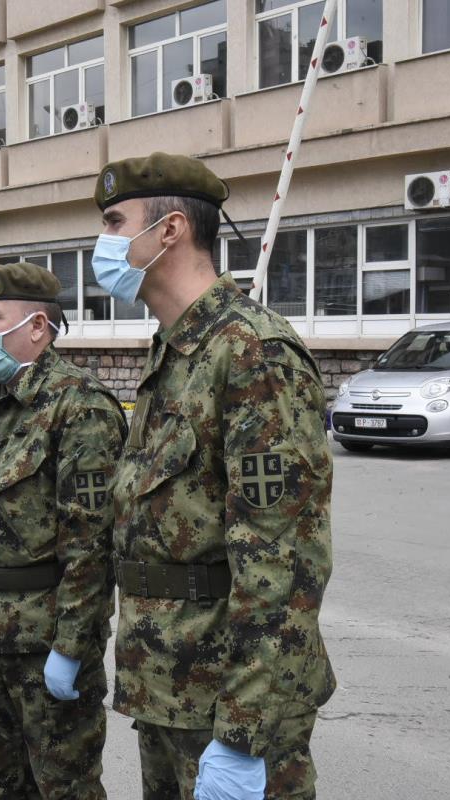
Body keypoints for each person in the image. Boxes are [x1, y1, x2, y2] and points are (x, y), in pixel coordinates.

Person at [92, 152, 336, 800]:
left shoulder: (252, 353)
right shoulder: (173, 352)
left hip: (231, 700)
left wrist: (243, 733)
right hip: (168, 686)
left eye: (115, 222)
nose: (103, 242)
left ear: (169, 230)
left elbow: (283, 563)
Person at [0, 262, 127, 799]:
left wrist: (71, 645)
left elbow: (91, 542)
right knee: (0, 783)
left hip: (45, 637)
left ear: (38, 328)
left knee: (64, 787)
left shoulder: (80, 408)